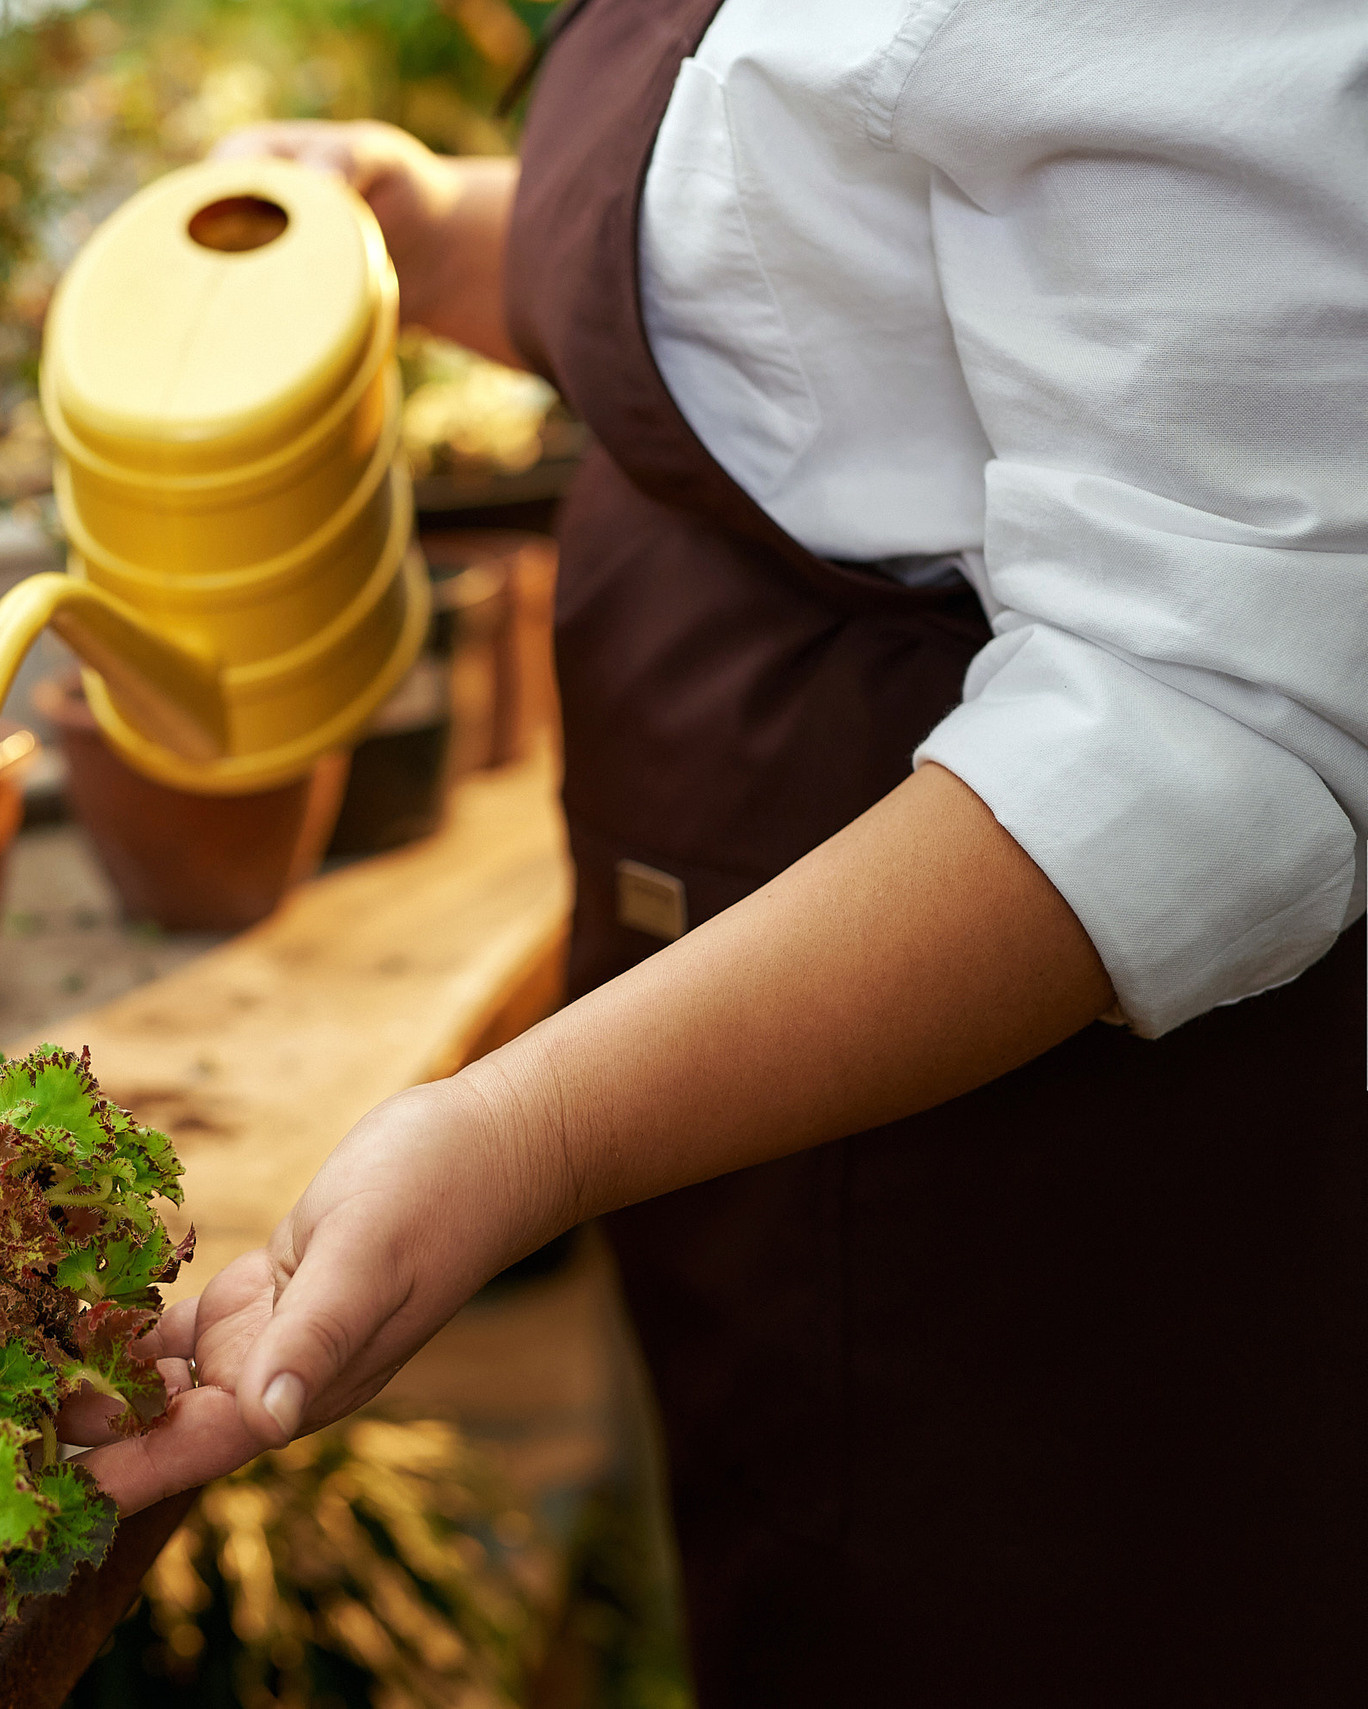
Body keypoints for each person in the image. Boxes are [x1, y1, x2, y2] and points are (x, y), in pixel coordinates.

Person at [67, 2, 1368, 1703]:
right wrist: (430, 223)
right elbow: (836, 259)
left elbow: (1212, 710)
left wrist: (521, 1128)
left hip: (1020, 1196)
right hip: (772, 1112)